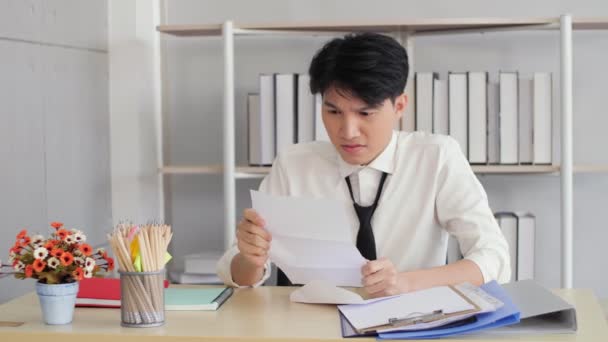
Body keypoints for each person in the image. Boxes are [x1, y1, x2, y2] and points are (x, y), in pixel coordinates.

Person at [217, 32, 510, 298]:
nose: (347, 131)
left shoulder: (436, 156)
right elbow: (241, 277)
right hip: (313, 326)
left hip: (411, 320)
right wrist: (250, 259)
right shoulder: (295, 164)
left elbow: (494, 258)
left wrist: (407, 282)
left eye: (365, 113)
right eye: (333, 111)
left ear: (399, 107)